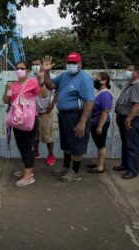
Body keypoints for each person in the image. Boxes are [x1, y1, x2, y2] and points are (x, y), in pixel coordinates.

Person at [43, 53, 95, 182]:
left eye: (74, 63)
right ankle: (66, 167)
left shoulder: (84, 78)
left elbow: (89, 102)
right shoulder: (64, 75)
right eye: (69, 63)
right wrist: (46, 72)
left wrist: (82, 123)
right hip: (65, 116)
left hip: (77, 115)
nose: (71, 65)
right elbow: (50, 85)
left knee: (77, 144)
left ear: (80, 64)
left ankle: (75, 172)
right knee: (66, 143)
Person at [3, 61, 47, 187]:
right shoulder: (14, 85)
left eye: (22, 68)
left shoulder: (33, 82)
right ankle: (27, 169)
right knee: (21, 146)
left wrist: (41, 81)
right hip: (17, 120)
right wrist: (7, 91)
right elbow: (6, 101)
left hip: (29, 120)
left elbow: (44, 95)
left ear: (27, 70)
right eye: (17, 68)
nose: (19, 70)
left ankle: (28, 176)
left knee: (27, 146)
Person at [114, 64, 139, 179]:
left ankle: (133, 170)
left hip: (131, 119)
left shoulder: (138, 86)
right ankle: (125, 164)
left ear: (137, 73)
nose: (127, 71)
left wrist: (128, 119)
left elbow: (137, 105)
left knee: (132, 145)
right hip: (123, 117)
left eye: (130, 70)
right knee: (126, 143)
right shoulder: (129, 85)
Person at [30, 59, 57, 166]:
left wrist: (52, 104)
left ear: (42, 65)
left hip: (46, 110)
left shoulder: (51, 76)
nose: (35, 66)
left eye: (37, 64)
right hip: (32, 111)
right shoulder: (30, 77)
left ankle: (51, 155)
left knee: (47, 135)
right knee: (33, 135)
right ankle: (35, 152)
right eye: (33, 65)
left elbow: (58, 91)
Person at [88, 72, 113, 173]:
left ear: (104, 81)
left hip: (100, 124)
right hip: (95, 123)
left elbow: (105, 112)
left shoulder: (105, 94)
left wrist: (100, 127)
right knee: (99, 144)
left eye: (97, 79)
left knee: (101, 144)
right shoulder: (99, 92)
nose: (95, 81)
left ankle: (100, 167)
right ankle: (99, 163)